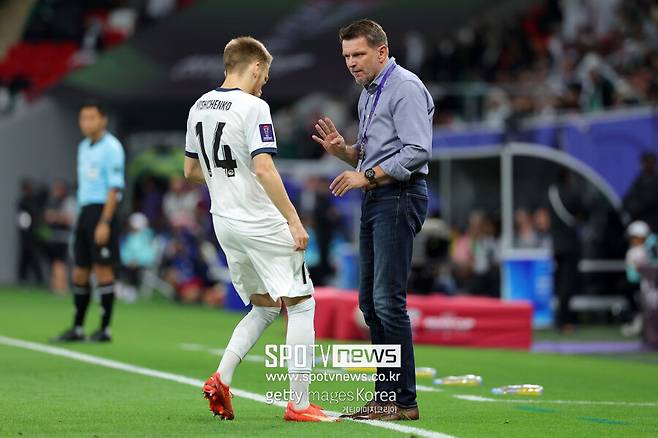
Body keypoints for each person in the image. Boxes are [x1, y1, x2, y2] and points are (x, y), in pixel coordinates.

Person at [183, 36, 334, 423]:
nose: (265, 81)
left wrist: (226, 183)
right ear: (254, 67)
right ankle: (300, 404)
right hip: (259, 220)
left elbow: (190, 171)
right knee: (301, 303)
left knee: (265, 306)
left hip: (225, 221)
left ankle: (222, 377)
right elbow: (264, 168)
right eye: (264, 73)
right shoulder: (254, 106)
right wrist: (294, 220)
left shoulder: (199, 105)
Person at [312, 19, 433, 421]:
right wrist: (343, 152)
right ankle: (385, 397)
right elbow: (370, 156)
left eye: (358, 54)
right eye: (346, 56)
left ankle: (404, 400)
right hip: (378, 197)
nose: (351, 62)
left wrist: (364, 175)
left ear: (382, 51)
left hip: (399, 196)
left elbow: (417, 151)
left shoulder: (405, 88)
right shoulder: (367, 95)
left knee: (387, 301)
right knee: (370, 303)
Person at [52, 102, 125, 343]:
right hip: (85, 212)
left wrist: (105, 221)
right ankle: (78, 327)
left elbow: (114, 188)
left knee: (103, 269)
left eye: (92, 118)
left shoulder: (112, 148)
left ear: (102, 120)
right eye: (83, 118)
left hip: (102, 211)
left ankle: (105, 329)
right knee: (81, 271)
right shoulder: (83, 147)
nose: (86, 123)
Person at [44, 180, 77, 294]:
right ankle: (57, 286)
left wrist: (56, 217)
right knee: (56, 262)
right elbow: (47, 216)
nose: (56, 191)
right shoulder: (53, 202)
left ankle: (62, 287)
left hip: (65, 237)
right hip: (54, 237)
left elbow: (70, 219)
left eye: (58, 189)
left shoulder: (69, 201)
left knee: (61, 262)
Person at [624, 152, 658, 233]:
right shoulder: (640, 178)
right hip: (638, 219)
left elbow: (649, 200)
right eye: (644, 162)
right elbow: (630, 196)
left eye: (649, 162)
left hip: (651, 221)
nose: (644, 165)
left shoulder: (655, 180)